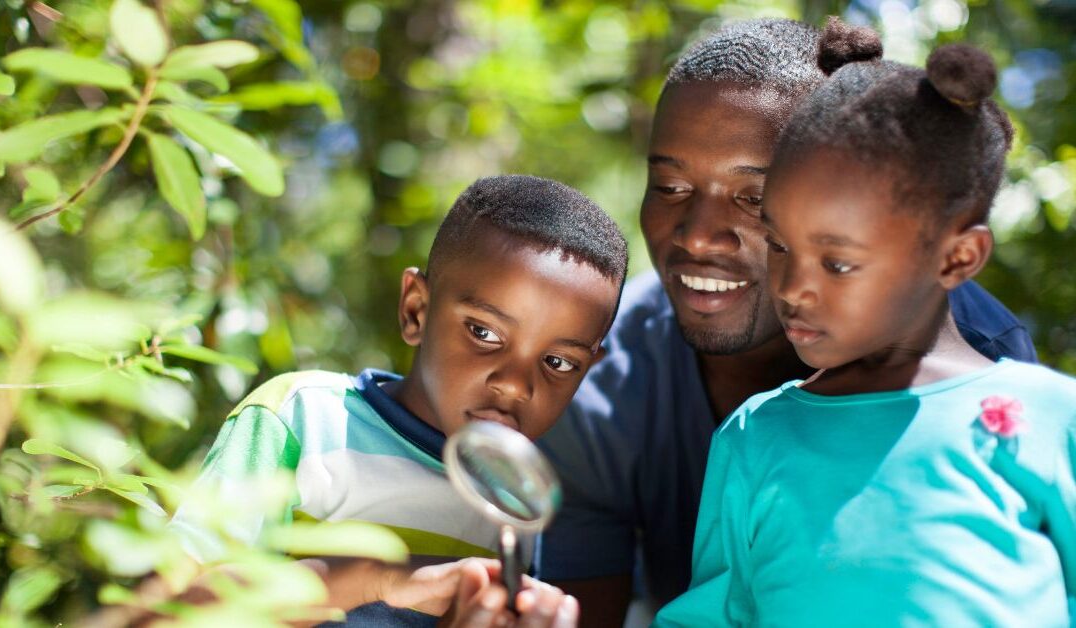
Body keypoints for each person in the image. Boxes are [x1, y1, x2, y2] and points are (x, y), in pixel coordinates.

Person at [534, 18, 1038, 624]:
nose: (696, 236)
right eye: (669, 186)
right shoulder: (600, 381)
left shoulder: (983, 368)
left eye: (753, 198)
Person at [171, 174, 628, 626]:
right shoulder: (307, 419)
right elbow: (170, 609)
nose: (515, 384)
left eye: (559, 362)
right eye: (484, 333)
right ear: (416, 310)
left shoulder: (521, 497)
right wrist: (378, 579)